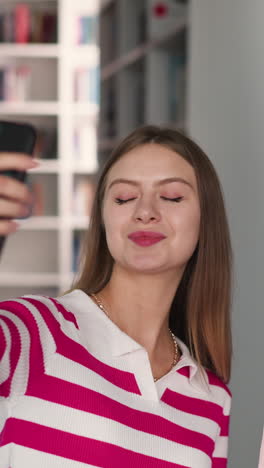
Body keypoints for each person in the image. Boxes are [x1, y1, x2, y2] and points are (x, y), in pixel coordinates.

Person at [0, 125, 232, 467]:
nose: (145, 211)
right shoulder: (33, 331)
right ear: (104, 218)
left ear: (205, 219)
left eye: (171, 197)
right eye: (124, 197)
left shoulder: (212, 398)